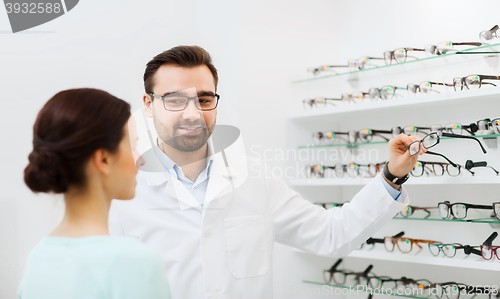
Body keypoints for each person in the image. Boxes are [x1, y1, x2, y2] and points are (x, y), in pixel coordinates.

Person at [108, 46, 426, 299]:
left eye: (204, 99)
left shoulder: (253, 178)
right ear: (148, 105)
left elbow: (332, 235)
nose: (193, 113)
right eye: (175, 100)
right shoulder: (122, 196)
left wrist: (392, 176)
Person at [19, 88, 171, 299]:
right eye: (133, 145)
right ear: (103, 160)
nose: (140, 159)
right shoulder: (133, 261)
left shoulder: (37, 259)